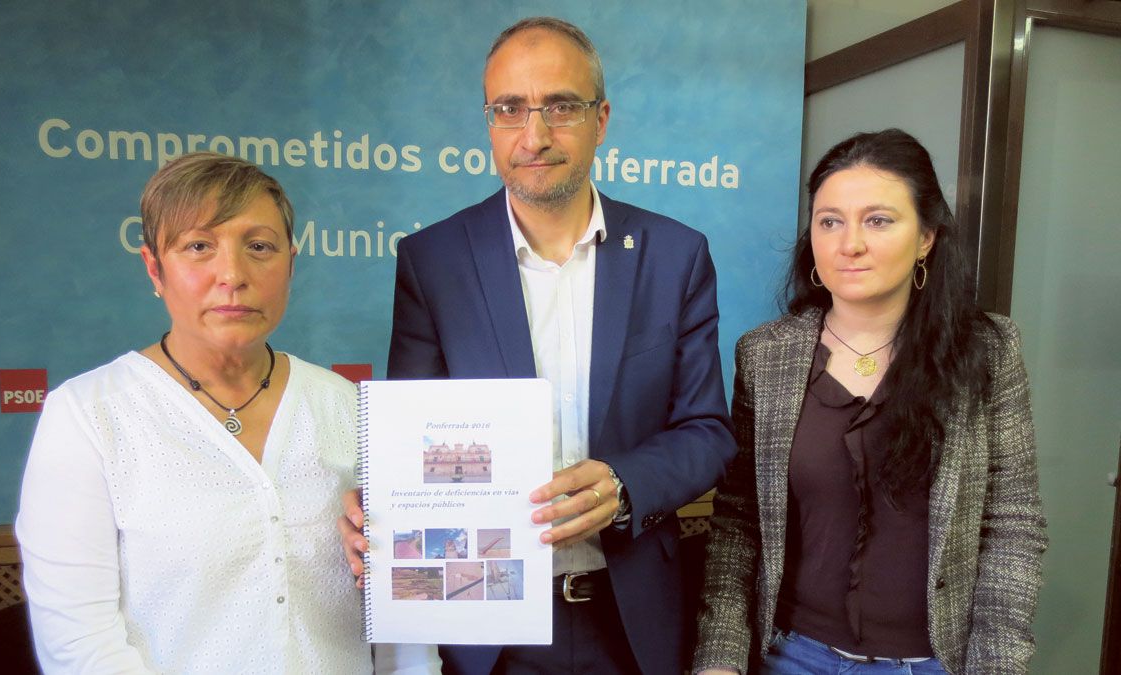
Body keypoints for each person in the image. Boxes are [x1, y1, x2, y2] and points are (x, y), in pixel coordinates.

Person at [339, 15, 736, 675]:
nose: (535, 134)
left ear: (601, 119)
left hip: (630, 618)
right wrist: (382, 497)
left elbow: (706, 431)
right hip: (486, 628)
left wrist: (623, 483)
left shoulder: (676, 256)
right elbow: (415, 440)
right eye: (510, 109)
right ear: (489, 122)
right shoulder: (433, 261)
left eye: (561, 106)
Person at [15, 152, 438, 674]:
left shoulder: (349, 407)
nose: (232, 274)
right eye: (199, 246)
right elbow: (79, 645)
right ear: (155, 268)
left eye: (259, 247)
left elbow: (406, 625)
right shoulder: (88, 416)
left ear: (291, 262)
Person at [693, 129, 1047, 675]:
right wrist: (719, 659)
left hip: (934, 663)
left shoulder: (987, 351)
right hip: (791, 656)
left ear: (927, 235)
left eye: (878, 220)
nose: (849, 243)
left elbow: (1012, 524)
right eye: (829, 221)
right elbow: (739, 520)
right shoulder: (766, 355)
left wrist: (996, 666)